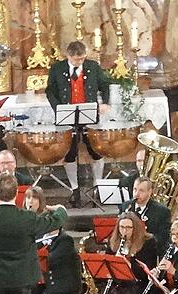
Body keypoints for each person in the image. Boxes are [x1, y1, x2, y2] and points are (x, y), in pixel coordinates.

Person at [45, 40, 111, 207]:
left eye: (82, 59)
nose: (79, 62)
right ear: (68, 56)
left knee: (95, 150)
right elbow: (50, 90)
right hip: (66, 115)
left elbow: (104, 85)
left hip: (89, 113)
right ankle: (74, 189)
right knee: (70, 152)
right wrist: (58, 108)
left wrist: (105, 102)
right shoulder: (57, 69)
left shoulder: (93, 67)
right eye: (76, 59)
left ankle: (98, 187)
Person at [118, 176, 171, 256]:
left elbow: (163, 238)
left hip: (148, 253)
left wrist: (146, 237)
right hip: (127, 249)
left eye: (141, 191)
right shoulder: (125, 206)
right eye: (135, 189)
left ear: (150, 192)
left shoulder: (162, 211)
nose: (136, 194)